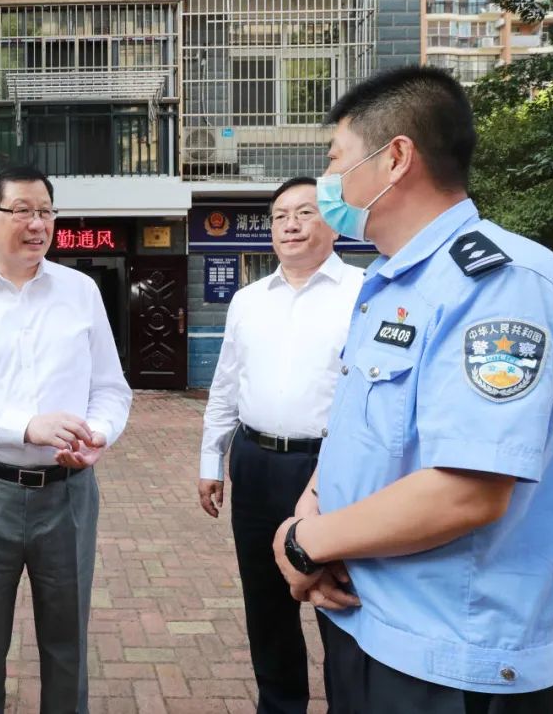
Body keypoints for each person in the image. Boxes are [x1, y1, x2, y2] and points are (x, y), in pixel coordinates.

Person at [272, 66, 553, 712]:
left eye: (336, 159)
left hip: (452, 654)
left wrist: (303, 542)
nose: (327, 181)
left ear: (396, 158)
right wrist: (308, 510)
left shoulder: (499, 286)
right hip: (366, 618)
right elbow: (360, 433)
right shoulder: (389, 284)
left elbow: (467, 490)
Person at [0, 164, 132, 714]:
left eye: (46, 212)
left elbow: (111, 388)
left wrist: (97, 434)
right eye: (22, 211)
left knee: (68, 641)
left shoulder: (81, 292)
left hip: (68, 492)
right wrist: (23, 427)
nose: (37, 224)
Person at [197, 177, 362, 713]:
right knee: (266, 603)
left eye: (305, 212)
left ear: (334, 225)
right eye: (280, 216)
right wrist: (211, 460)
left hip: (332, 467)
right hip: (255, 462)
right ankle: (279, 704)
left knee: (339, 599)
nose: (290, 225)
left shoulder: (364, 294)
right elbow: (226, 384)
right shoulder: (248, 300)